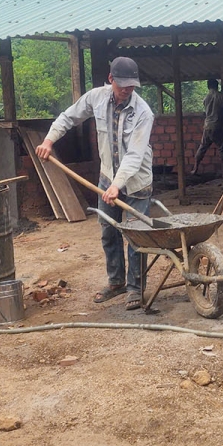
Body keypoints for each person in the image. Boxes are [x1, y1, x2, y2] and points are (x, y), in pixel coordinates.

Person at [36, 56, 154, 310]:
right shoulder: (96, 98)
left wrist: (117, 185)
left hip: (135, 182)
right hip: (107, 179)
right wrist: (49, 141)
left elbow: (134, 155)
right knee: (108, 232)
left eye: (132, 86)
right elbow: (68, 117)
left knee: (136, 236)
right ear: (111, 79)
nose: (127, 90)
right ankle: (116, 282)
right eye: (123, 85)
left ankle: (136, 287)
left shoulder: (144, 112)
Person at [193, 78, 223, 174]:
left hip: (207, 125)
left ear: (208, 86)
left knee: (203, 146)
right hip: (217, 125)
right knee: (222, 147)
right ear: (217, 86)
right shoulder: (221, 97)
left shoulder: (206, 98)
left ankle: (195, 168)